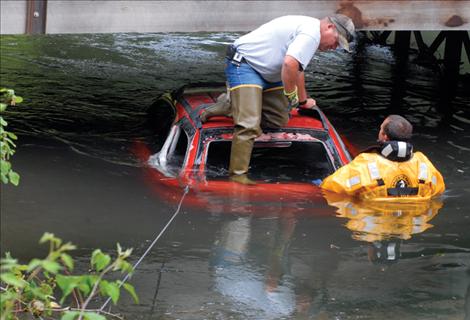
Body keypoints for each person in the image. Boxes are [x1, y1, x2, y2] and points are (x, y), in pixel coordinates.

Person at [200, 14, 356, 184]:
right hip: (245, 64)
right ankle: (237, 176)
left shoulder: (313, 35)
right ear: (329, 28)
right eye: (336, 41)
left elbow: (297, 69)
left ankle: (232, 105)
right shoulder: (311, 34)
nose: (334, 47)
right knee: (249, 125)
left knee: (278, 119)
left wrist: (303, 101)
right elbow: (289, 64)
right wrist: (290, 94)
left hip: (270, 72)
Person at [321, 115, 445, 200]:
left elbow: (328, 188)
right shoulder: (424, 165)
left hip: (373, 227)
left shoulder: (364, 164)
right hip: (410, 227)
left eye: (380, 129)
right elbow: (439, 190)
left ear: (385, 136)